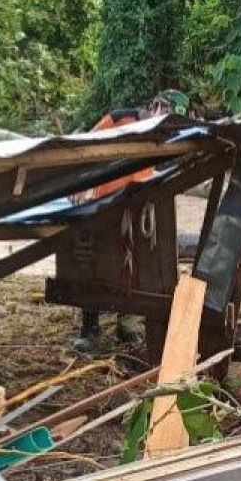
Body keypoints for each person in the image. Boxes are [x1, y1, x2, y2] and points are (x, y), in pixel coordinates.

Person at [72, 89, 189, 348]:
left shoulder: (163, 135)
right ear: (157, 105)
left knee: (134, 266)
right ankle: (89, 329)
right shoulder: (119, 120)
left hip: (135, 206)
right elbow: (84, 151)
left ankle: (127, 327)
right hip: (102, 203)